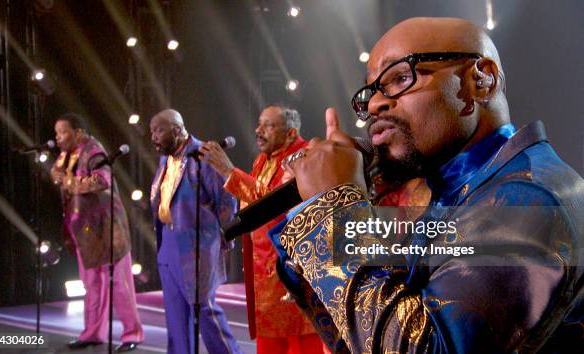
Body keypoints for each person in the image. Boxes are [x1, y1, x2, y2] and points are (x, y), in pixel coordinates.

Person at [268, 17, 584, 353]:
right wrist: (320, 210)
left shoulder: (531, 199)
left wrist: (334, 208)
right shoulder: (461, 191)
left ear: (481, 80)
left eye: (401, 77)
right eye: (371, 91)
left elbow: (417, 345)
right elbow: (360, 334)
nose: (374, 105)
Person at [200, 105, 327, 354]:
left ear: (290, 133)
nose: (258, 131)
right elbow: (251, 204)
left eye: (268, 125)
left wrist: (229, 172)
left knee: (301, 344)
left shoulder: (302, 156)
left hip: (293, 271)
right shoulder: (263, 159)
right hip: (264, 273)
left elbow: (274, 205)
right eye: (259, 124)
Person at [148, 109, 241, 354]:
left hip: (197, 244)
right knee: (176, 316)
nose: (153, 137)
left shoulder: (203, 156)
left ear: (177, 130)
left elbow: (227, 202)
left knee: (205, 310)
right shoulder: (166, 158)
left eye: (158, 130)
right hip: (168, 240)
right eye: (151, 131)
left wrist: (216, 240)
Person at [50, 113, 144, 352]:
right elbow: (56, 172)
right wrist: (59, 176)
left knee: (119, 284)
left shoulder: (93, 150)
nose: (58, 138)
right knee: (91, 283)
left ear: (78, 132)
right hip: (85, 230)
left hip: (108, 227)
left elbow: (102, 179)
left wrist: (69, 183)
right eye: (56, 133)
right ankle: (93, 333)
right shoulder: (66, 154)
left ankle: (132, 333)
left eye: (63, 132)